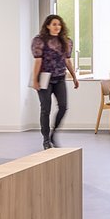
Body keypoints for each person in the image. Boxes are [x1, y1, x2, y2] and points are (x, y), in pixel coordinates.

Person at [29, 14, 80, 149]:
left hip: (60, 78)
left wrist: (74, 77)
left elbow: (67, 60)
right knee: (45, 109)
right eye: (54, 24)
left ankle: (53, 134)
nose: (57, 27)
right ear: (48, 26)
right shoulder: (39, 41)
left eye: (59, 24)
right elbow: (38, 61)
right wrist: (35, 80)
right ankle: (46, 139)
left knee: (63, 106)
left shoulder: (66, 41)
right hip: (44, 79)